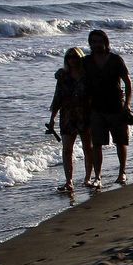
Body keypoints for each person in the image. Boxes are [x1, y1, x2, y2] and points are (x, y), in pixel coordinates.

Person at [82, 29, 133, 184]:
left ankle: (122, 172)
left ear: (106, 42)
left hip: (116, 107)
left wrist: (127, 104)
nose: (97, 44)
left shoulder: (115, 60)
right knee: (97, 144)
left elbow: (128, 82)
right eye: (94, 42)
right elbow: (73, 72)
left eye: (100, 41)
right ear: (90, 44)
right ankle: (98, 176)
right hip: (96, 108)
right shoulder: (86, 61)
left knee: (121, 141)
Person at [45, 47, 94, 192]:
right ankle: (69, 181)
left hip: (85, 115)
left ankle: (88, 178)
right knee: (67, 149)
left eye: (75, 57)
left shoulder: (87, 75)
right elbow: (57, 98)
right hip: (67, 116)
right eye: (69, 57)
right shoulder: (63, 76)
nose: (72, 60)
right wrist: (52, 118)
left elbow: (94, 96)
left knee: (88, 148)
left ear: (80, 58)